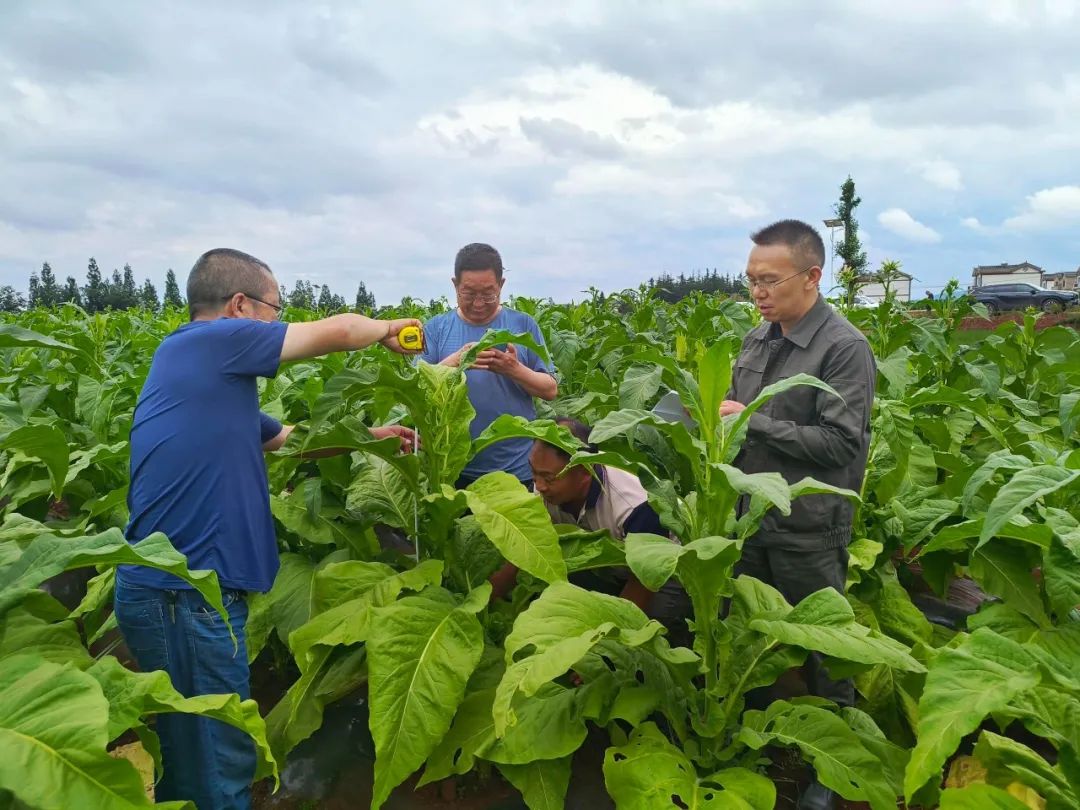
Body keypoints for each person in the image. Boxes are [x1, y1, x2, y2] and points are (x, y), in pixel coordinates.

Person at [113, 248, 421, 810]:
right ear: (239, 305)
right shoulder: (211, 341)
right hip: (185, 597)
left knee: (192, 753)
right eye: (275, 310)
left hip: (182, 595)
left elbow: (288, 440)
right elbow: (340, 331)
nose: (278, 322)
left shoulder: (205, 377)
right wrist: (389, 329)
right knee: (218, 758)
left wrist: (370, 437)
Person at [720, 220, 875, 810]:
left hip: (807, 524)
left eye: (769, 280)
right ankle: (762, 744)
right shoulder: (757, 339)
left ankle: (834, 771)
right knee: (752, 633)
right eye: (751, 280)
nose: (758, 292)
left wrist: (751, 420)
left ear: (812, 276)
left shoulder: (843, 348)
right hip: (751, 517)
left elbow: (840, 444)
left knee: (824, 648)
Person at [490, 418, 688, 635]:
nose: (539, 486)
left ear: (585, 471)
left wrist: (603, 645)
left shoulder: (635, 505)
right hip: (610, 563)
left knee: (653, 625)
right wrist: (484, 602)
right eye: (534, 472)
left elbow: (644, 582)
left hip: (666, 570)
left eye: (549, 477)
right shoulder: (544, 491)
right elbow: (521, 553)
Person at [420, 243, 557, 488]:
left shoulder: (523, 325)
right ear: (455, 285)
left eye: (488, 294)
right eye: (469, 294)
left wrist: (513, 369)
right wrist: (455, 363)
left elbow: (550, 389)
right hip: (451, 469)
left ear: (501, 285)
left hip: (516, 470)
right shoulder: (436, 329)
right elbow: (417, 388)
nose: (478, 303)